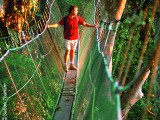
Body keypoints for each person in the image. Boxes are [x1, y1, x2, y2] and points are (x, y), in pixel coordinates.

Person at [47, 5, 97, 72]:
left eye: (77, 10)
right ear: (72, 11)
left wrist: (93, 26)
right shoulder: (66, 19)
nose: (77, 11)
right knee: (68, 51)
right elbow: (57, 24)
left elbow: (84, 24)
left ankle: (71, 65)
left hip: (75, 39)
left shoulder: (78, 18)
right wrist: (49, 26)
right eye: (76, 10)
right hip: (67, 39)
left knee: (72, 51)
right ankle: (65, 65)